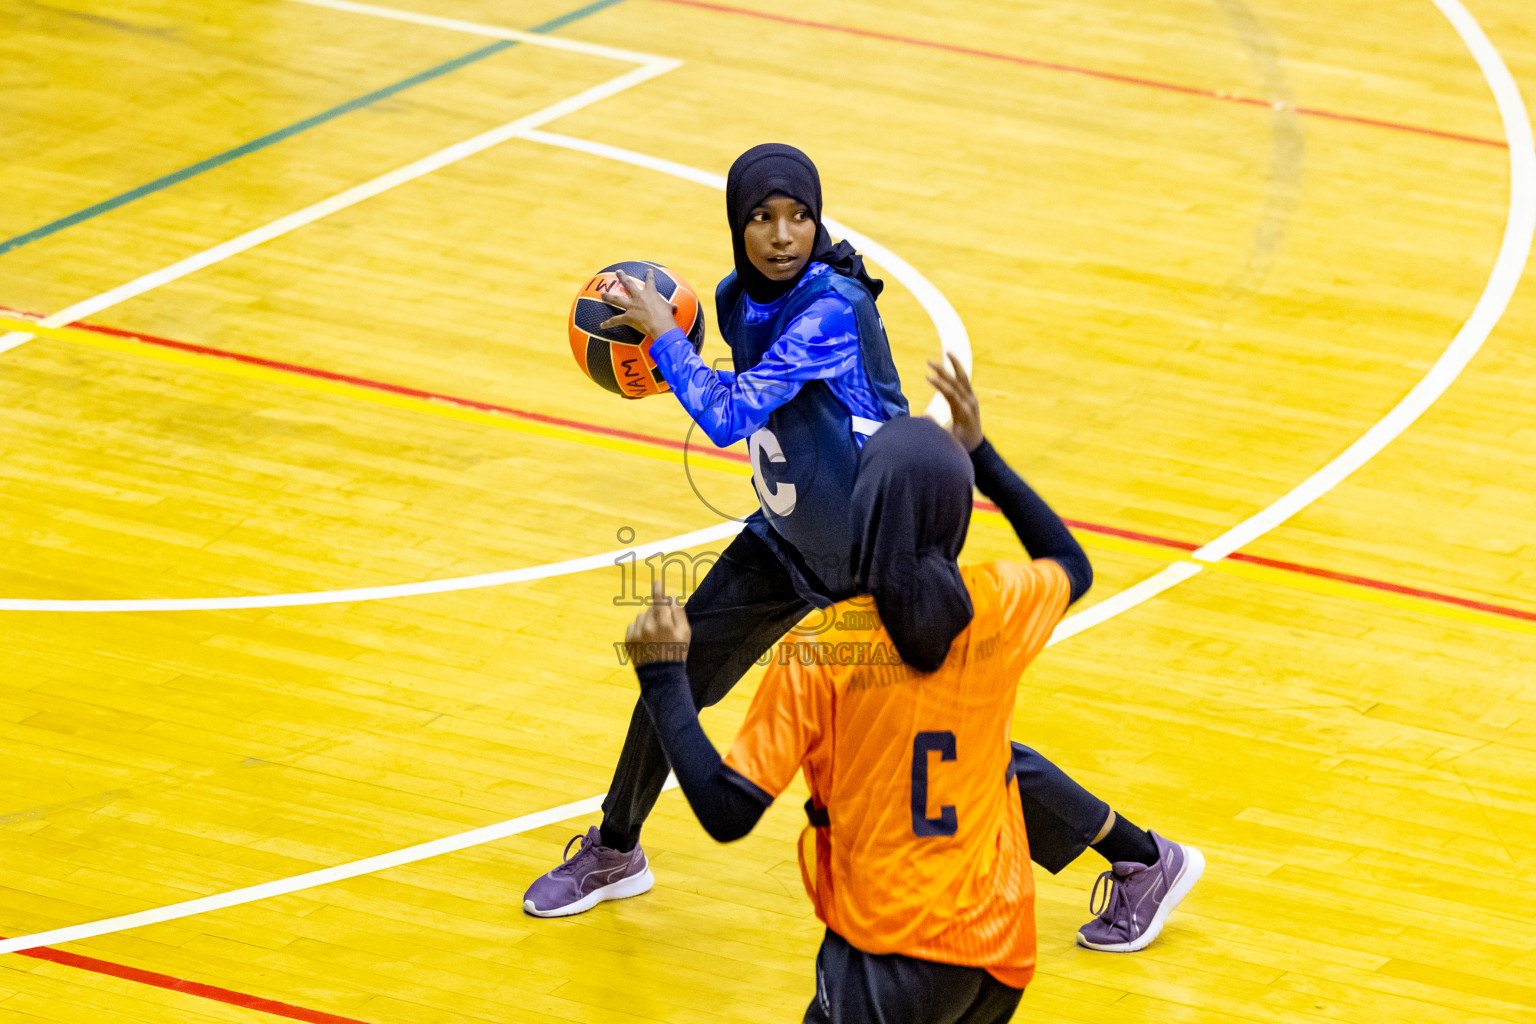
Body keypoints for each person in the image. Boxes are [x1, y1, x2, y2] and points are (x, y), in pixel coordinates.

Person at [523, 144, 1201, 954]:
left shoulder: (834, 308)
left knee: (959, 756)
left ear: (817, 219)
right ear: (738, 226)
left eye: (799, 217)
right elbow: (756, 398)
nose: (782, 235)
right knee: (672, 670)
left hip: (879, 570)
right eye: (762, 219)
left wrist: (668, 341)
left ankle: (1144, 858)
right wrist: (664, 354)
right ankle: (615, 848)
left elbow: (733, 416)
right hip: (787, 539)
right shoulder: (740, 297)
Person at [622, 383, 1194, 1021]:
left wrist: (666, 679)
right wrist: (986, 458)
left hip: (887, 954)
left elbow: (728, 812)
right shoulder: (1000, 603)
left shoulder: (826, 646)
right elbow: (1071, 563)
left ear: (863, 510)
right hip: (999, 951)